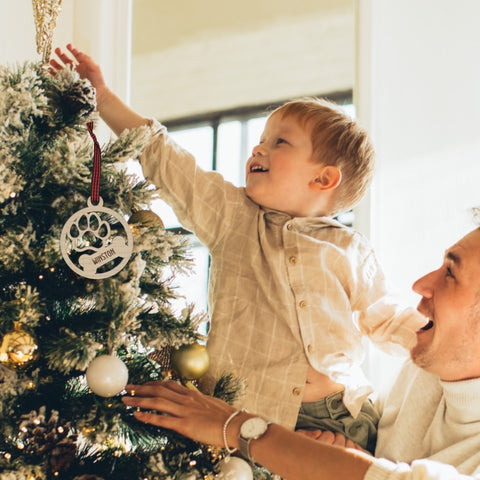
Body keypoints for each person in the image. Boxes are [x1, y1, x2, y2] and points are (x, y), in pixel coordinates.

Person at [51, 45, 426, 453]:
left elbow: (386, 318)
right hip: (244, 412)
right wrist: (103, 97)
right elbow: (167, 160)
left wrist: (442, 340)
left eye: (280, 142)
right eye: (261, 139)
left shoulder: (348, 248)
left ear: (323, 179)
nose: (257, 148)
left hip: (337, 415)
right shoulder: (234, 218)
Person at [122, 225, 480, 480]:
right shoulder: (429, 367)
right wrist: (346, 453)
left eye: (450, 273)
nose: (421, 285)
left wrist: (236, 426)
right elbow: (379, 464)